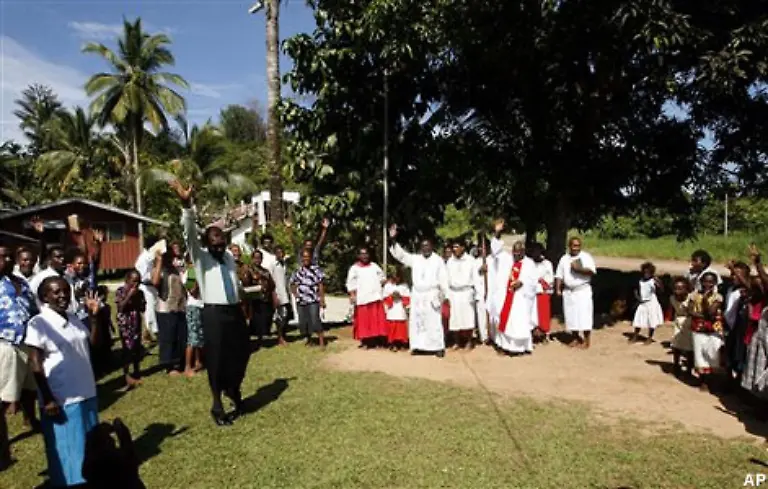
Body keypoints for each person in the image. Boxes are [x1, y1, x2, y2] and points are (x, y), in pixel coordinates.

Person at [172, 179, 250, 427]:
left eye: (221, 240)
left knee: (242, 353)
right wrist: (187, 206)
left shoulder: (228, 258)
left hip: (234, 312)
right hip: (214, 314)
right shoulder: (202, 257)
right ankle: (217, 404)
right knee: (216, 359)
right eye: (214, 241)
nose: (219, 244)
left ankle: (233, 388)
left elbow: (235, 285)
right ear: (206, 244)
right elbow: (189, 235)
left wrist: (243, 299)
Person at [26, 277, 101, 487]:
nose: (63, 296)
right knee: (70, 454)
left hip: (87, 393)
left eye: (66, 291)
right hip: (63, 399)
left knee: (90, 450)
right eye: (56, 292)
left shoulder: (73, 318)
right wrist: (48, 398)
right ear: (44, 297)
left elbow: (93, 346)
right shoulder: (38, 323)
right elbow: (35, 362)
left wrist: (94, 318)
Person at [0, 245, 40, 471]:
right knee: (3, 399)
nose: (4, 260)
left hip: (27, 343)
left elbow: (33, 310)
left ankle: (30, 419)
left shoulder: (21, 283)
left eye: (8, 256)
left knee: (30, 389)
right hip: (5, 344)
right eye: (1, 256)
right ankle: (3, 449)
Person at [389, 225, 449, 358]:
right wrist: (393, 240)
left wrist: (444, 296)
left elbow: (444, 279)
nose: (425, 248)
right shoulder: (416, 259)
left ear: (432, 246)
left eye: (428, 245)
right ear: (420, 247)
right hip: (418, 295)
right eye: (423, 246)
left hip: (432, 294)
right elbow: (401, 255)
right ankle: (418, 346)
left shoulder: (438, 261)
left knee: (433, 322)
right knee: (417, 321)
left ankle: (437, 347)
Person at [488, 231, 537, 355]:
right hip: (506, 297)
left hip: (521, 298)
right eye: (514, 252)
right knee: (506, 321)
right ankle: (505, 346)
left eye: (519, 252)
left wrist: (522, 282)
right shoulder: (506, 259)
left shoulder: (529, 263)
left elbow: (532, 280)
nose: (516, 255)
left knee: (519, 323)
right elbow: (495, 250)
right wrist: (498, 233)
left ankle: (520, 348)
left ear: (524, 252)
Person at [555, 237, 597, 349]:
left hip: (582, 290)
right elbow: (559, 275)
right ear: (569, 246)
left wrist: (579, 269)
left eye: (578, 246)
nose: (576, 248)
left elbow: (592, 272)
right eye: (574, 245)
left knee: (584, 316)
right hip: (568, 291)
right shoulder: (564, 258)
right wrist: (558, 289)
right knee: (571, 316)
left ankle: (587, 341)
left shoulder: (585, 257)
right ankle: (575, 338)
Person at [151, 249, 188, 376]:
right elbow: (155, 282)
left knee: (180, 336)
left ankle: (179, 362)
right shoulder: (159, 269)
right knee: (168, 338)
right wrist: (159, 261)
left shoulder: (176, 269)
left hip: (180, 307)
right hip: (165, 308)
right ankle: (169, 365)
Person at [82, 418, 145, 489]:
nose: (112, 440)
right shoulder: (125, 471)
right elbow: (129, 454)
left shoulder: (90, 471)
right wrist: (123, 433)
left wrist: (91, 440)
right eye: (110, 440)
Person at [688, 272, 724, 391]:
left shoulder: (718, 297)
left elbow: (710, 312)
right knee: (700, 353)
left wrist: (704, 300)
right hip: (698, 329)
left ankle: (711, 379)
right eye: (705, 281)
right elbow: (690, 311)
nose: (707, 284)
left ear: (715, 283)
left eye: (711, 282)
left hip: (713, 329)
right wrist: (702, 315)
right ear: (701, 282)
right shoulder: (693, 295)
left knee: (713, 352)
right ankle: (703, 381)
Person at [346, 247, 387, 348]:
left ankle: (377, 340)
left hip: (375, 298)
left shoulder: (374, 266)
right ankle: (366, 341)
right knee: (364, 322)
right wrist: (352, 295)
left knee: (376, 321)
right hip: (362, 299)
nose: (364, 256)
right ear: (358, 256)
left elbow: (382, 278)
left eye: (366, 254)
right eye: (362, 254)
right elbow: (350, 283)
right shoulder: (354, 268)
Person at [290, 250, 327, 347]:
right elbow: (292, 283)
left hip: (313, 299)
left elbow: (320, 285)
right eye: (304, 256)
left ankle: (321, 340)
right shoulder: (298, 271)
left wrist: (322, 299)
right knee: (304, 322)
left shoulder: (316, 270)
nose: (306, 258)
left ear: (311, 258)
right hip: (301, 301)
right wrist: (296, 294)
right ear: (301, 258)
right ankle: (309, 340)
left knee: (315, 320)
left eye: (308, 256)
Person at [115, 270, 146, 388]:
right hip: (125, 324)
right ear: (127, 280)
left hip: (136, 322)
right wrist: (129, 296)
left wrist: (138, 300)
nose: (136, 284)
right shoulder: (120, 291)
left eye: (138, 281)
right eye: (133, 281)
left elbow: (143, 308)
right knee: (127, 348)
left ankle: (137, 371)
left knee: (136, 348)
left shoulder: (140, 293)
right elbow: (120, 307)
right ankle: (126, 374)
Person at [446, 239, 477, 350]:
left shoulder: (470, 260)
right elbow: (447, 279)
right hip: (454, 292)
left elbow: (475, 278)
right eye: (453, 247)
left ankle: (469, 341)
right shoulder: (450, 261)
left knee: (468, 317)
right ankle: (457, 342)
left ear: (463, 248)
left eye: (457, 246)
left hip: (466, 292)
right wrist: (447, 295)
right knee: (455, 318)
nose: (455, 249)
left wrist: (475, 293)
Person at [245, 250, 277, 345]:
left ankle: (264, 337)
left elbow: (272, 284)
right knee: (256, 320)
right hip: (255, 299)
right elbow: (246, 283)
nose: (257, 260)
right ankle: (258, 339)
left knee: (266, 318)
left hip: (266, 298)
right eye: (256, 257)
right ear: (252, 258)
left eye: (259, 258)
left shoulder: (265, 271)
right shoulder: (249, 270)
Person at [134, 236, 160, 343]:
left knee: (154, 310)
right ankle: (153, 334)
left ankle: (147, 334)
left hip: (153, 288)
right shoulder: (143, 259)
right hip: (147, 289)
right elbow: (143, 278)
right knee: (150, 312)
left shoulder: (151, 256)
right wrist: (156, 281)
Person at [630, 262, 664, 344]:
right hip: (642, 302)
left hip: (651, 303)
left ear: (652, 273)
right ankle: (635, 335)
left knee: (651, 321)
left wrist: (659, 284)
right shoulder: (640, 281)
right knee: (638, 319)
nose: (646, 274)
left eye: (648, 273)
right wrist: (638, 298)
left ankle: (649, 337)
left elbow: (661, 291)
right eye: (644, 272)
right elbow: (635, 291)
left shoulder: (653, 281)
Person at [667, 277, 693, 377]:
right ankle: (676, 365)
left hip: (689, 322)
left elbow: (690, 311)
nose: (677, 291)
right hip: (678, 320)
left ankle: (689, 369)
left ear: (687, 289)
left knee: (689, 347)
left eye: (680, 289)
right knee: (676, 344)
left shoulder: (691, 298)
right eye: (676, 288)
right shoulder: (672, 298)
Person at [528, 242, 553, 343]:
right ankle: (532, 333)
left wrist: (541, 281)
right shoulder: (529, 263)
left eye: (537, 251)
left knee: (543, 313)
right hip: (531, 292)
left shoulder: (547, 264)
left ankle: (544, 334)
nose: (536, 253)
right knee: (532, 314)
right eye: (533, 251)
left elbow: (550, 279)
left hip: (543, 291)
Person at [183, 266, 204, 376]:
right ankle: (187, 367)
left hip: (202, 306)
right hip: (193, 307)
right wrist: (198, 280)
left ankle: (198, 361)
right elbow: (193, 292)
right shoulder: (189, 273)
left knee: (199, 337)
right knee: (193, 337)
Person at [383, 270, 410, 351]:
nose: (396, 279)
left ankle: (402, 343)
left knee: (401, 327)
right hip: (392, 309)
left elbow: (408, 297)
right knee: (392, 326)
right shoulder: (388, 286)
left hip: (400, 309)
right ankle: (392, 343)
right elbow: (384, 297)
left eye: (398, 277)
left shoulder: (404, 286)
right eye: (394, 277)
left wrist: (401, 297)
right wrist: (391, 297)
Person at [272, 246, 292, 345]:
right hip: (278, 295)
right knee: (280, 317)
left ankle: (283, 335)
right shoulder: (272, 265)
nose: (280, 254)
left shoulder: (285, 264)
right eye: (278, 253)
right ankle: (280, 338)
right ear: (275, 254)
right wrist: (274, 296)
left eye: (282, 252)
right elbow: (271, 281)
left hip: (286, 294)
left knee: (286, 316)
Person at [474, 235, 492, 345]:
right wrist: (479, 271)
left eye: (484, 247)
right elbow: (473, 278)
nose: (482, 249)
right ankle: (484, 337)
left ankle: (493, 335)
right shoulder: (475, 261)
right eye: (480, 247)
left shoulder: (492, 260)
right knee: (481, 315)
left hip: (491, 291)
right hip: (480, 292)